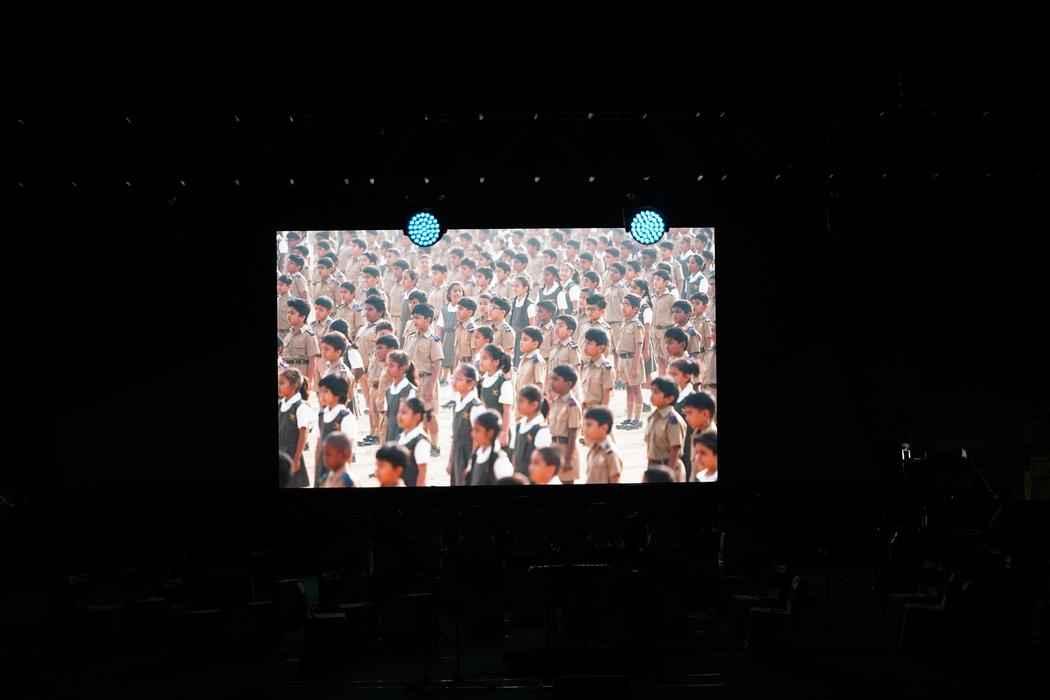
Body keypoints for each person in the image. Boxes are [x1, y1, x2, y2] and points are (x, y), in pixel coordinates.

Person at [403, 303, 444, 454]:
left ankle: (434, 445)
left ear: (428, 320)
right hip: (411, 381)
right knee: (414, 414)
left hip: (427, 379)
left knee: (429, 415)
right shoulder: (410, 336)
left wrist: (431, 387)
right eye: (413, 317)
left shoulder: (433, 339)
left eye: (418, 318)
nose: (415, 321)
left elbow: (437, 364)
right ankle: (418, 443)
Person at [314, 374, 355, 486]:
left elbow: (349, 447)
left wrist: (344, 474)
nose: (321, 395)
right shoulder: (321, 415)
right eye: (320, 392)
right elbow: (318, 444)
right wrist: (317, 469)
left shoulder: (345, 417)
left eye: (326, 392)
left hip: (338, 467)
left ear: (337, 394)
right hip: (322, 467)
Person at [448, 363, 484, 486]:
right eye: (454, 378)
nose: (454, 382)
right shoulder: (457, 402)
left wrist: (471, 463)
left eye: (459, 379)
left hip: (468, 454)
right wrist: (451, 460)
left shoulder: (475, 407)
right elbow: (455, 436)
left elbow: (477, 440)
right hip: (457, 454)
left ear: (471, 383)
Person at [644, 377, 687, 482]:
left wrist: (668, 474)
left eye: (656, 392)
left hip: (668, 467)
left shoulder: (672, 420)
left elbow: (675, 449)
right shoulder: (653, 417)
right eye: (651, 391)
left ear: (669, 399)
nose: (652, 395)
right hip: (654, 467)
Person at [278, 368, 314, 488]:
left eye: (282, 383)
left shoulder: (300, 407)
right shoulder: (280, 404)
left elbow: (303, 434)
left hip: (291, 456)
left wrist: (297, 458)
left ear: (294, 386)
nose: (278, 386)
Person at [616, 293, 647, 430]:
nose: (623, 307)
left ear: (635, 309)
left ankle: (637, 419)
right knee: (628, 389)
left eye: (627, 305)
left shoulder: (636, 325)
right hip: (623, 359)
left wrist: (635, 366)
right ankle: (629, 417)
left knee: (636, 389)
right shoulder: (624, 323)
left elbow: (639, 345)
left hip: (633, 359)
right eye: (623, 304)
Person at [547, 364, 582, 484]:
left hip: (566, 448)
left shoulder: (572, 405)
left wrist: (568, 459)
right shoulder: (555, 402)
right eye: (552, 378)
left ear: (568, 383)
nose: (552, 382)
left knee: (567, 481)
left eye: (556, 379)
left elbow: (572, 433)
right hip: (553, 446)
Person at [668, 359, 701, 478]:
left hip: (688, 447)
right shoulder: (674, 395)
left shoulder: (693, 399)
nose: (670, 377)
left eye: (674, 374)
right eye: (669, 374)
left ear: (687, 376)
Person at [465, 409, 514, 486]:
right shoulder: (477, 455)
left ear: (490, 433)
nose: (473, 434)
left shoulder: (500, 461)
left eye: (477, 430)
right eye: (473, 430)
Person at [478, 344, 514, 448]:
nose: (481, 362)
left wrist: (504, 432)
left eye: (485, 358)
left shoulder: (503, 382)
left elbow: (507, 411)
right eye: (481, 358)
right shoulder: (482, 381)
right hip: (486, 429)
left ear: (496, 362)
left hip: (499, 431)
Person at [512, 384, 552, 475]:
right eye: (517, 401)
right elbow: (515, 455)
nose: (517, 405)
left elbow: (542, 463)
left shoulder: (541, 430)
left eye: (521, 401)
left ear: (534, 405)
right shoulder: (519, 425)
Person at [283, 298, 321, 396]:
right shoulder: (289, 334)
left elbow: (312, 361)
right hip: (286, 379)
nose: (288, 315)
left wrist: (308, 382)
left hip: (299, 381)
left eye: (292, 313)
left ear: (302, 317)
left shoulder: (308, 335)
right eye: (288, 312)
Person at [396, 397, 432, 487]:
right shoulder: (400, 437)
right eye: (399, 412)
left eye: (404, 413)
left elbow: (422, 475)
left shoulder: (420, 441)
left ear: (417, 416)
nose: (399, 416)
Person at [384, 350, 417, 444]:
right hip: (390, 437)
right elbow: (387, 418)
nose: (388, 369)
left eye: (391, 366)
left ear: (402, 368)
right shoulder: (389, 391)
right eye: (387, 365)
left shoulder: (410, 390)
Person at [650, 269, 678, 376]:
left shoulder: (671, 297)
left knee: (668, 359)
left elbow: (676, 314)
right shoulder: (653, 297)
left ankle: (669, 381)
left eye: (658, 279)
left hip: (666, 331)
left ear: (666, 282)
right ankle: (661, 381)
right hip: (655, 331)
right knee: (659, 359)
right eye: (654, 279)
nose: (655, 282)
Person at [583, 407, 622, 484]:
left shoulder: (610, 453)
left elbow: (615, 479)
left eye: (589, 425)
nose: (584, 429)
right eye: (584, 425)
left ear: (604, 428)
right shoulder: (594, 449)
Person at [546, 315, 580, 399]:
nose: (556, 328)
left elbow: (576, 372)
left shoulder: (572, 348)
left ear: (569, 331)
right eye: (556, 325)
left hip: (565, 392)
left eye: (561, 326)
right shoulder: (554, 347)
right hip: (552, 391)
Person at [580, 327, 614, 411]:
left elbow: (606, 395)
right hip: (583, 410)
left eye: (589, 343)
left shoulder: (605, 368)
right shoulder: (586, 366)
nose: (585, 346)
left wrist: (601, 415)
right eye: (585, 342)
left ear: (600, 348)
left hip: (596, 411)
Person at [437, 282, 464, 385]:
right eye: (455, 291)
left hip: (459, 336)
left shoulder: (463, 308)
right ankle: (443, 377)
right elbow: (440, 325)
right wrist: (438, 340)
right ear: (449, 294)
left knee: (456, 357)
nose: (457, 293)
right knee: (446, 355)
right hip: (447, 336)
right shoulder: (444, 309)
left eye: (459, 291)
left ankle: (455, 377)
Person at [507, 276, 535, 366]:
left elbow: (532, 327)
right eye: (513, 286)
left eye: (517, 286)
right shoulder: (513, 303)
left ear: (525, 288)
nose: (514, 289)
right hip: (513, 339)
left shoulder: (530, 305)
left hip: (523, 340)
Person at [514, 327, 548, 396]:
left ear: (535, 344)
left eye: (525, 340)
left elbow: (539, 386)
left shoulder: (537, 361)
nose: (521, 342)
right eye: (521, 339)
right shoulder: (524, 358)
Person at [277, 274, 293, 339]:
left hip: (287, 334)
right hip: (278, 333)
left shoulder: (291, 301)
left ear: (288, 286)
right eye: (278, 284)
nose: (278, 287)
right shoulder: (278, 299)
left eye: (281, 285)